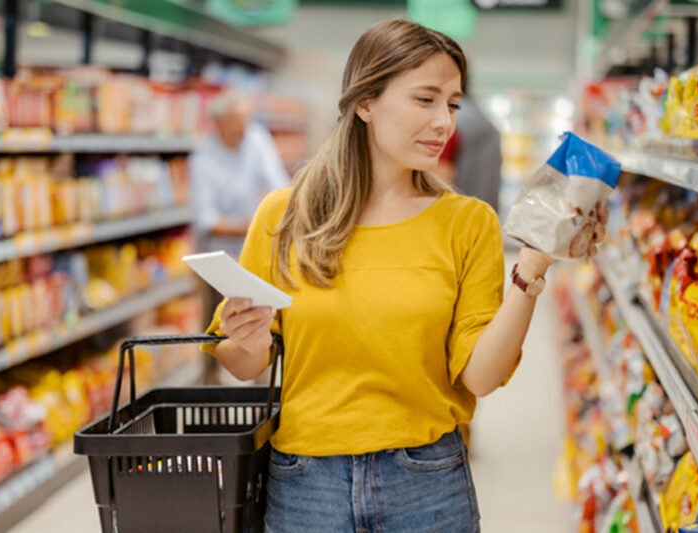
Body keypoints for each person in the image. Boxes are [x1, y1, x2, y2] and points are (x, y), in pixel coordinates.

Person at [202, 20, 605, 531]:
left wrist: (531, 270)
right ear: (366, 103)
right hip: (306, 485)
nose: (444, 122)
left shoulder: (467, 222)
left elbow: (480, 377)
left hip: (427, 481)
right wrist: (245, 336)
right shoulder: (286, 216)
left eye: (453, 104)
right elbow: (244, 362)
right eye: (426, 100)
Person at [188, 90, 290, 381]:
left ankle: (261, 382)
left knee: (260, 321)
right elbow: (207, 219)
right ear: (218, 123)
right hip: (217, 256)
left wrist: (270, 219)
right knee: (217, 323)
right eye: (237, 121)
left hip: (254, 248)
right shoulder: (204, 158)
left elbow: (278, 187)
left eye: (247, 119)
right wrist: (255, 223)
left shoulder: (256, 140)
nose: (244, 127)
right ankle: (211, 383)